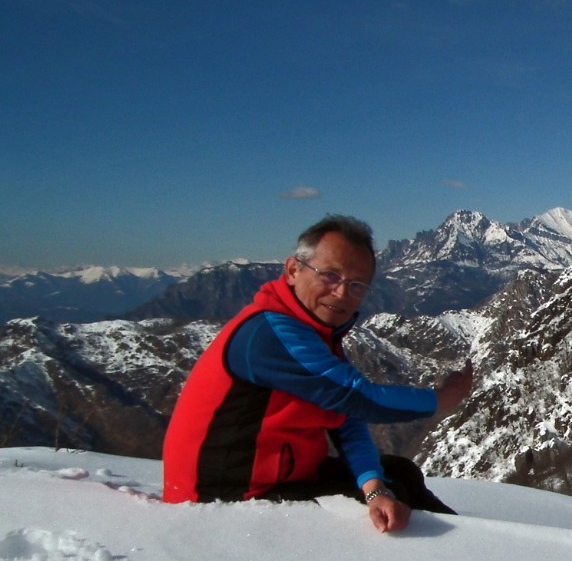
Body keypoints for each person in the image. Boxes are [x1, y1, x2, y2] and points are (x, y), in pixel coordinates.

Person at [162, 215, 468, 533]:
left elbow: (346, 417)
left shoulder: (314, 333)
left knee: (397, 474)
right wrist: (439, 400)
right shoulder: (268, 333)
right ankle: (458, 557)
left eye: (356, 285)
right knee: (395, 501)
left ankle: (470, 541)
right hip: (220, 500)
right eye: (330, 275)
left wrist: (374, 489)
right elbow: (355, 397)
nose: (341, 293)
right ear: (293, 271)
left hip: (276, 480)